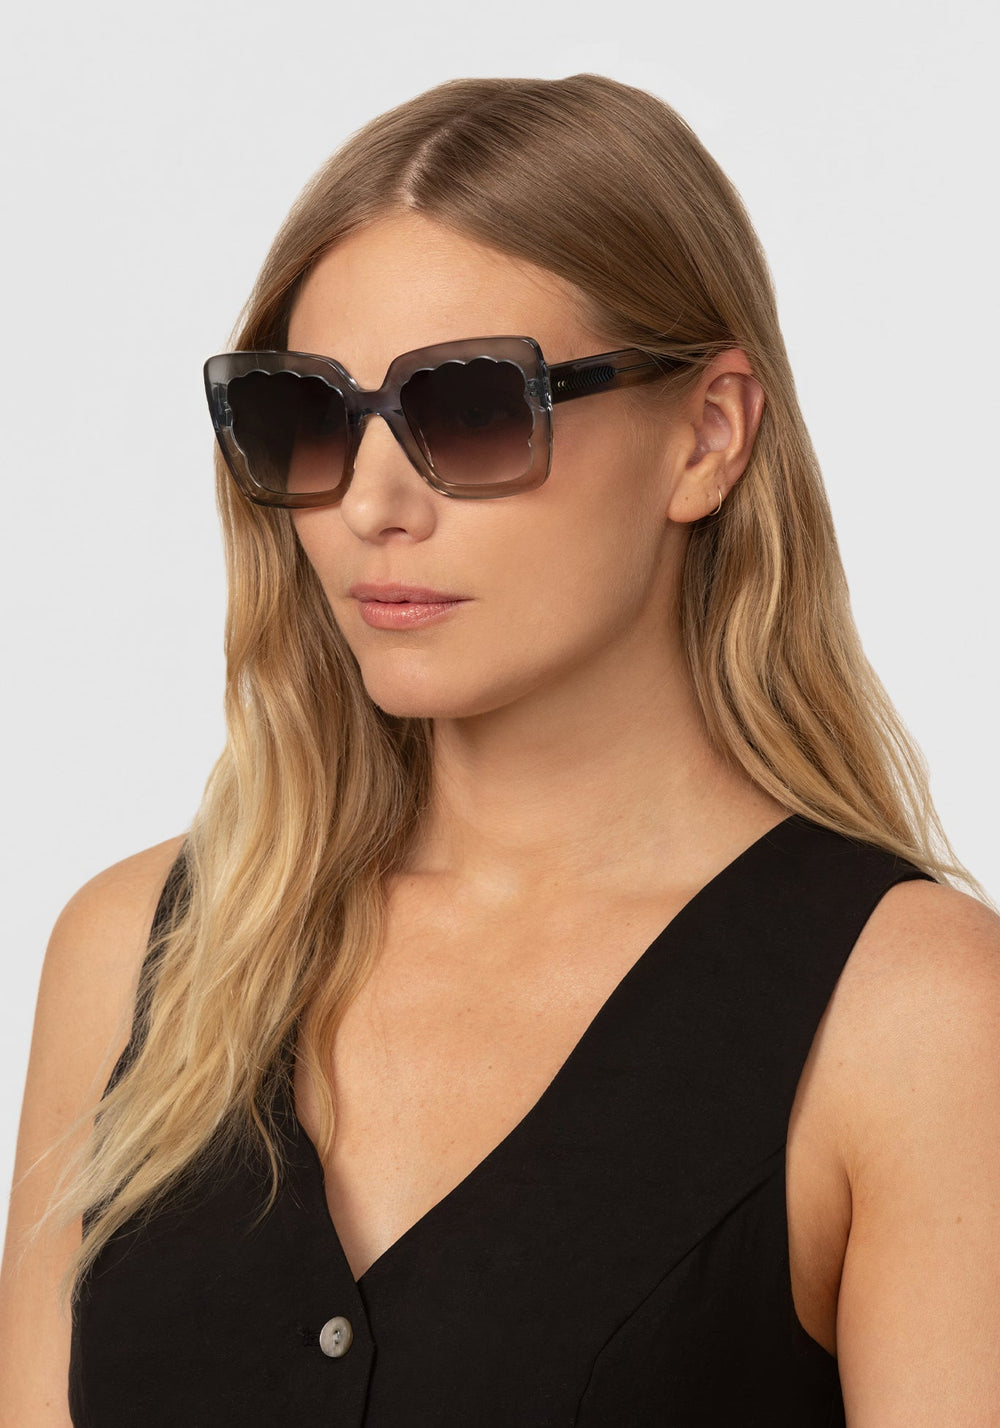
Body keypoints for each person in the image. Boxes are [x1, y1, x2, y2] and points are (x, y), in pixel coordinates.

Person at [1, 73, 998, 1427]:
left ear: (707, 435)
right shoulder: (139, 960)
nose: (372, 503)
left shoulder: (916, 1019)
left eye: (469, 410)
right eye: (310, 417)